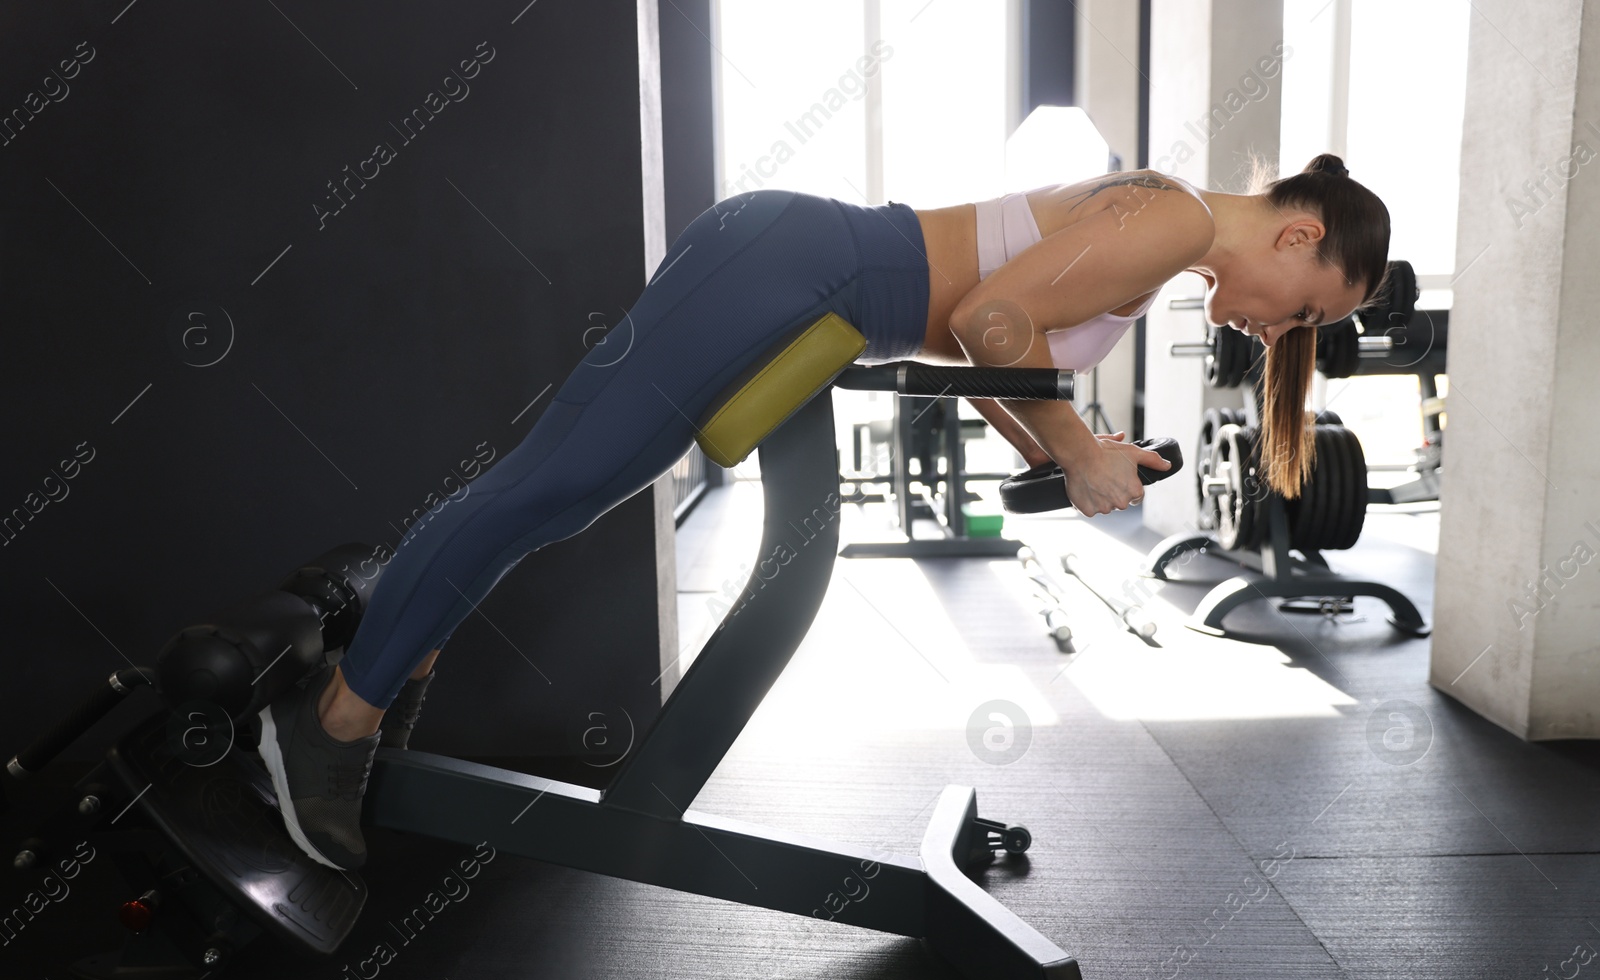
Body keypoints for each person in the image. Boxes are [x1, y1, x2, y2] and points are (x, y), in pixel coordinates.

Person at [257, 153, 1390, 870]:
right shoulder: (1177, 223)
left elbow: (988, 342)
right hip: (796, 262)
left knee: (549, 499)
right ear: (1298, 237)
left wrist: (1075, 449)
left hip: (804, 273)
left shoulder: (1168, 231)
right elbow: (995, 316)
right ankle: (326, 726)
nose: (1280, 332)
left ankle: (388, 679)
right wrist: (1076, 443)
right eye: (1304, 313)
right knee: (545, 488)